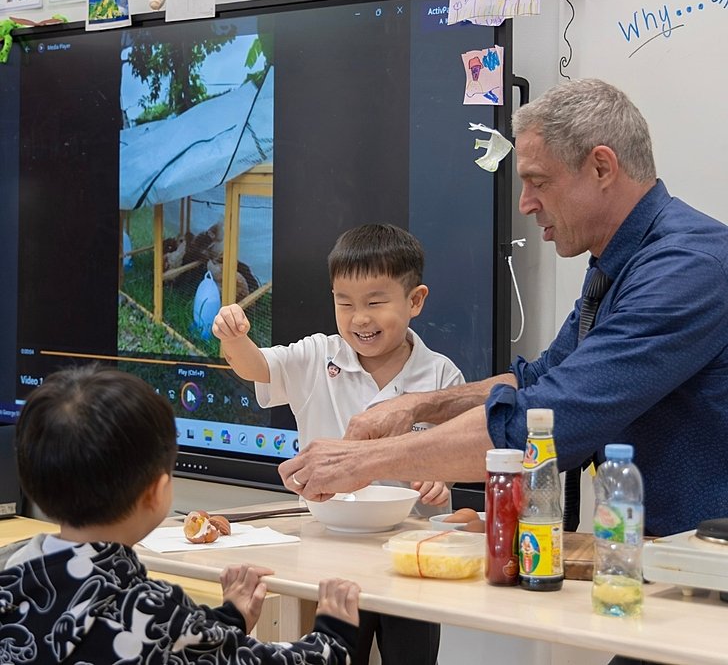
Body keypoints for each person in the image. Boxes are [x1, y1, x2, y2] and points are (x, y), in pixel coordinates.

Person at [277, 79, 728, 548]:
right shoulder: (621, 264)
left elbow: (548, 419)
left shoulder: (685, 269)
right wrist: (414, 406)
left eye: (538, 181)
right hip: (668, 554)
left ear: (601, 167)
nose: (525, 203)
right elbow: (538, 380)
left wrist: (361, 462)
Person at [213, 223, 467, 665]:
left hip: (411, 555)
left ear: (415, 300)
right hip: (329, 548)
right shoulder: (317, 355)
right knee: (332, 656)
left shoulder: (442, 379)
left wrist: (438, 480)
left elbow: (457, 457)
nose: (359, 318)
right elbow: (256, 367)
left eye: (375, 302)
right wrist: (234, 340)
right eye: (343, 302)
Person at [0, 364, 360, 665]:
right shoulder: (154, 613)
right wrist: (334, 633)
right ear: (156, 493)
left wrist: (227, 620)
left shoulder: (11, 573)